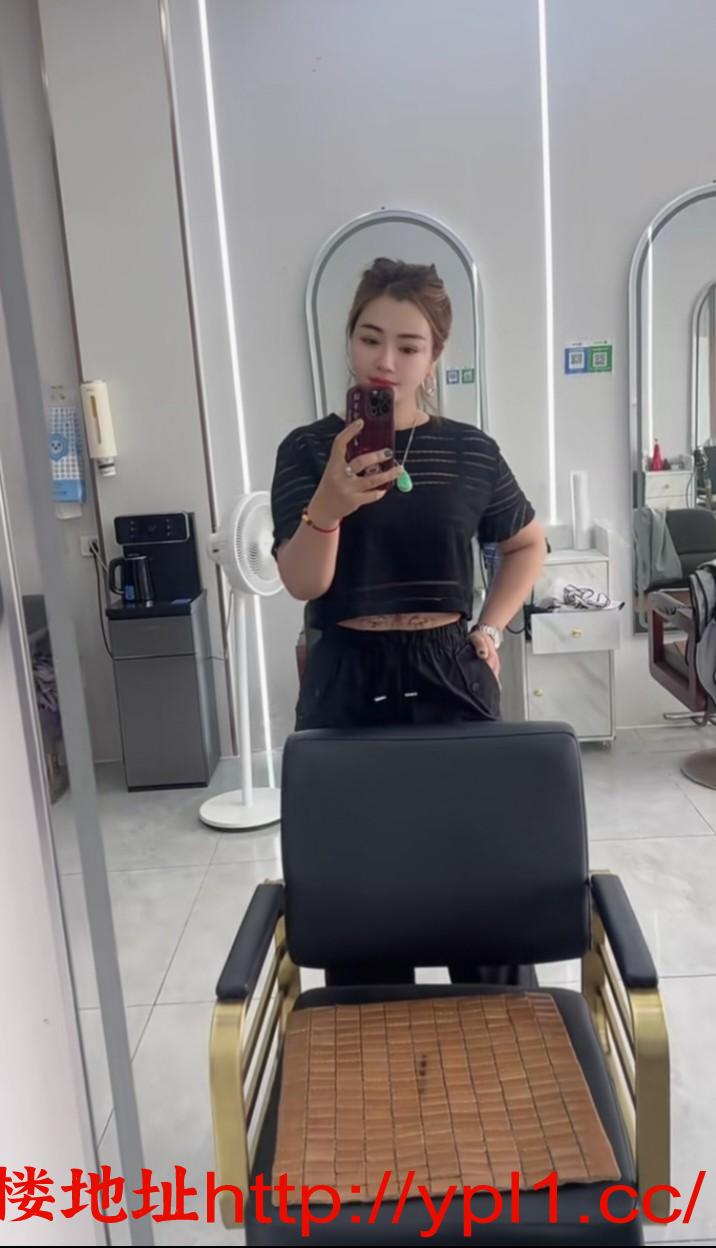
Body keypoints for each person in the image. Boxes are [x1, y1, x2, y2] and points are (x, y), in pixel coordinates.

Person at [271, 257, 546, 986]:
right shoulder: (308, 450)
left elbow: (527, 544)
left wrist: (489, 628)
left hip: (450, 667)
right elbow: (303, 582)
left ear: (435, 356)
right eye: (369, 338)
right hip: (345, 676)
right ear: (349, 340)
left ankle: (494, 1043)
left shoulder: (472, 451)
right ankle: (372, 1047)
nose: (385, 361)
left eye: (408, 345)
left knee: (482, 890)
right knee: (361, 902)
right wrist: (328, 506)